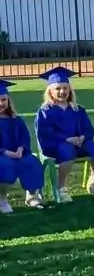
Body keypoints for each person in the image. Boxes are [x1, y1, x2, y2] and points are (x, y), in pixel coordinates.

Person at [34, 66, 94, 201]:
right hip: (57, 145)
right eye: (58, 88)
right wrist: (66, 139)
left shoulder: (77, 109)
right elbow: (45, 133)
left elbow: (88, 128)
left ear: (70, 89)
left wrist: (83, 136)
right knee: (67, 152)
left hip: (80, 143)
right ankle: (61, 188)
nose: (62, 91)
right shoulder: (45, 111)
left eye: (65, 88)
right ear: (50, 91)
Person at [0, 79, 45, 211]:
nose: (1, 103)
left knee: (31, 162)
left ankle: (32, 195)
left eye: (3, 100)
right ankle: (2, 198)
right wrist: (6, 152)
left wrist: (21, 149)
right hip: (2, 154)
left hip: (18, 153)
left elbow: (24, 137)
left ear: (8, 101)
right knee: (5, 165)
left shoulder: (15, 119)